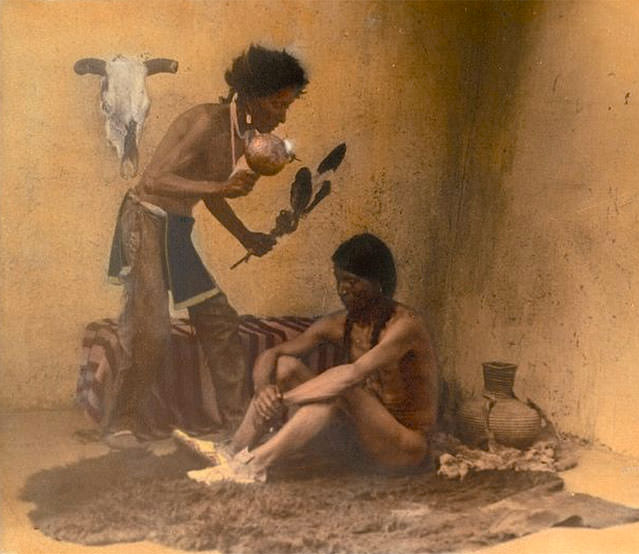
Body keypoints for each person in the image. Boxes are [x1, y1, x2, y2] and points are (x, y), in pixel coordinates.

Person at [104, 45, 308, 445]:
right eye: (276, 103)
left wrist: (244, 235)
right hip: (144, 220)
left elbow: (210, 194)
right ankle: (122, 421)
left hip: (175, 227)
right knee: (153, 331)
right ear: (249, 96)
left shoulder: (242, 135)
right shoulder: (206, 122)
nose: (282, 115)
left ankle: (238, 427)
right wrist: (221, 185)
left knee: (219, 320)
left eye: (288, 105)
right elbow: (152, 182)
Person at [173, 233, 439, 484]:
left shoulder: (406, 325)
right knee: (287, 367)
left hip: (404, 448)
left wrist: (285, 400)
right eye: (339, 280)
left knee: (339, 388)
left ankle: (253, 465)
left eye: (352, 281)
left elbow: (352, 374)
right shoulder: (340, 323)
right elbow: (273, 354)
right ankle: (232, 451)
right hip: (362, 440)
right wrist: (264, 391)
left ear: (379, 282)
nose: (343, 289)